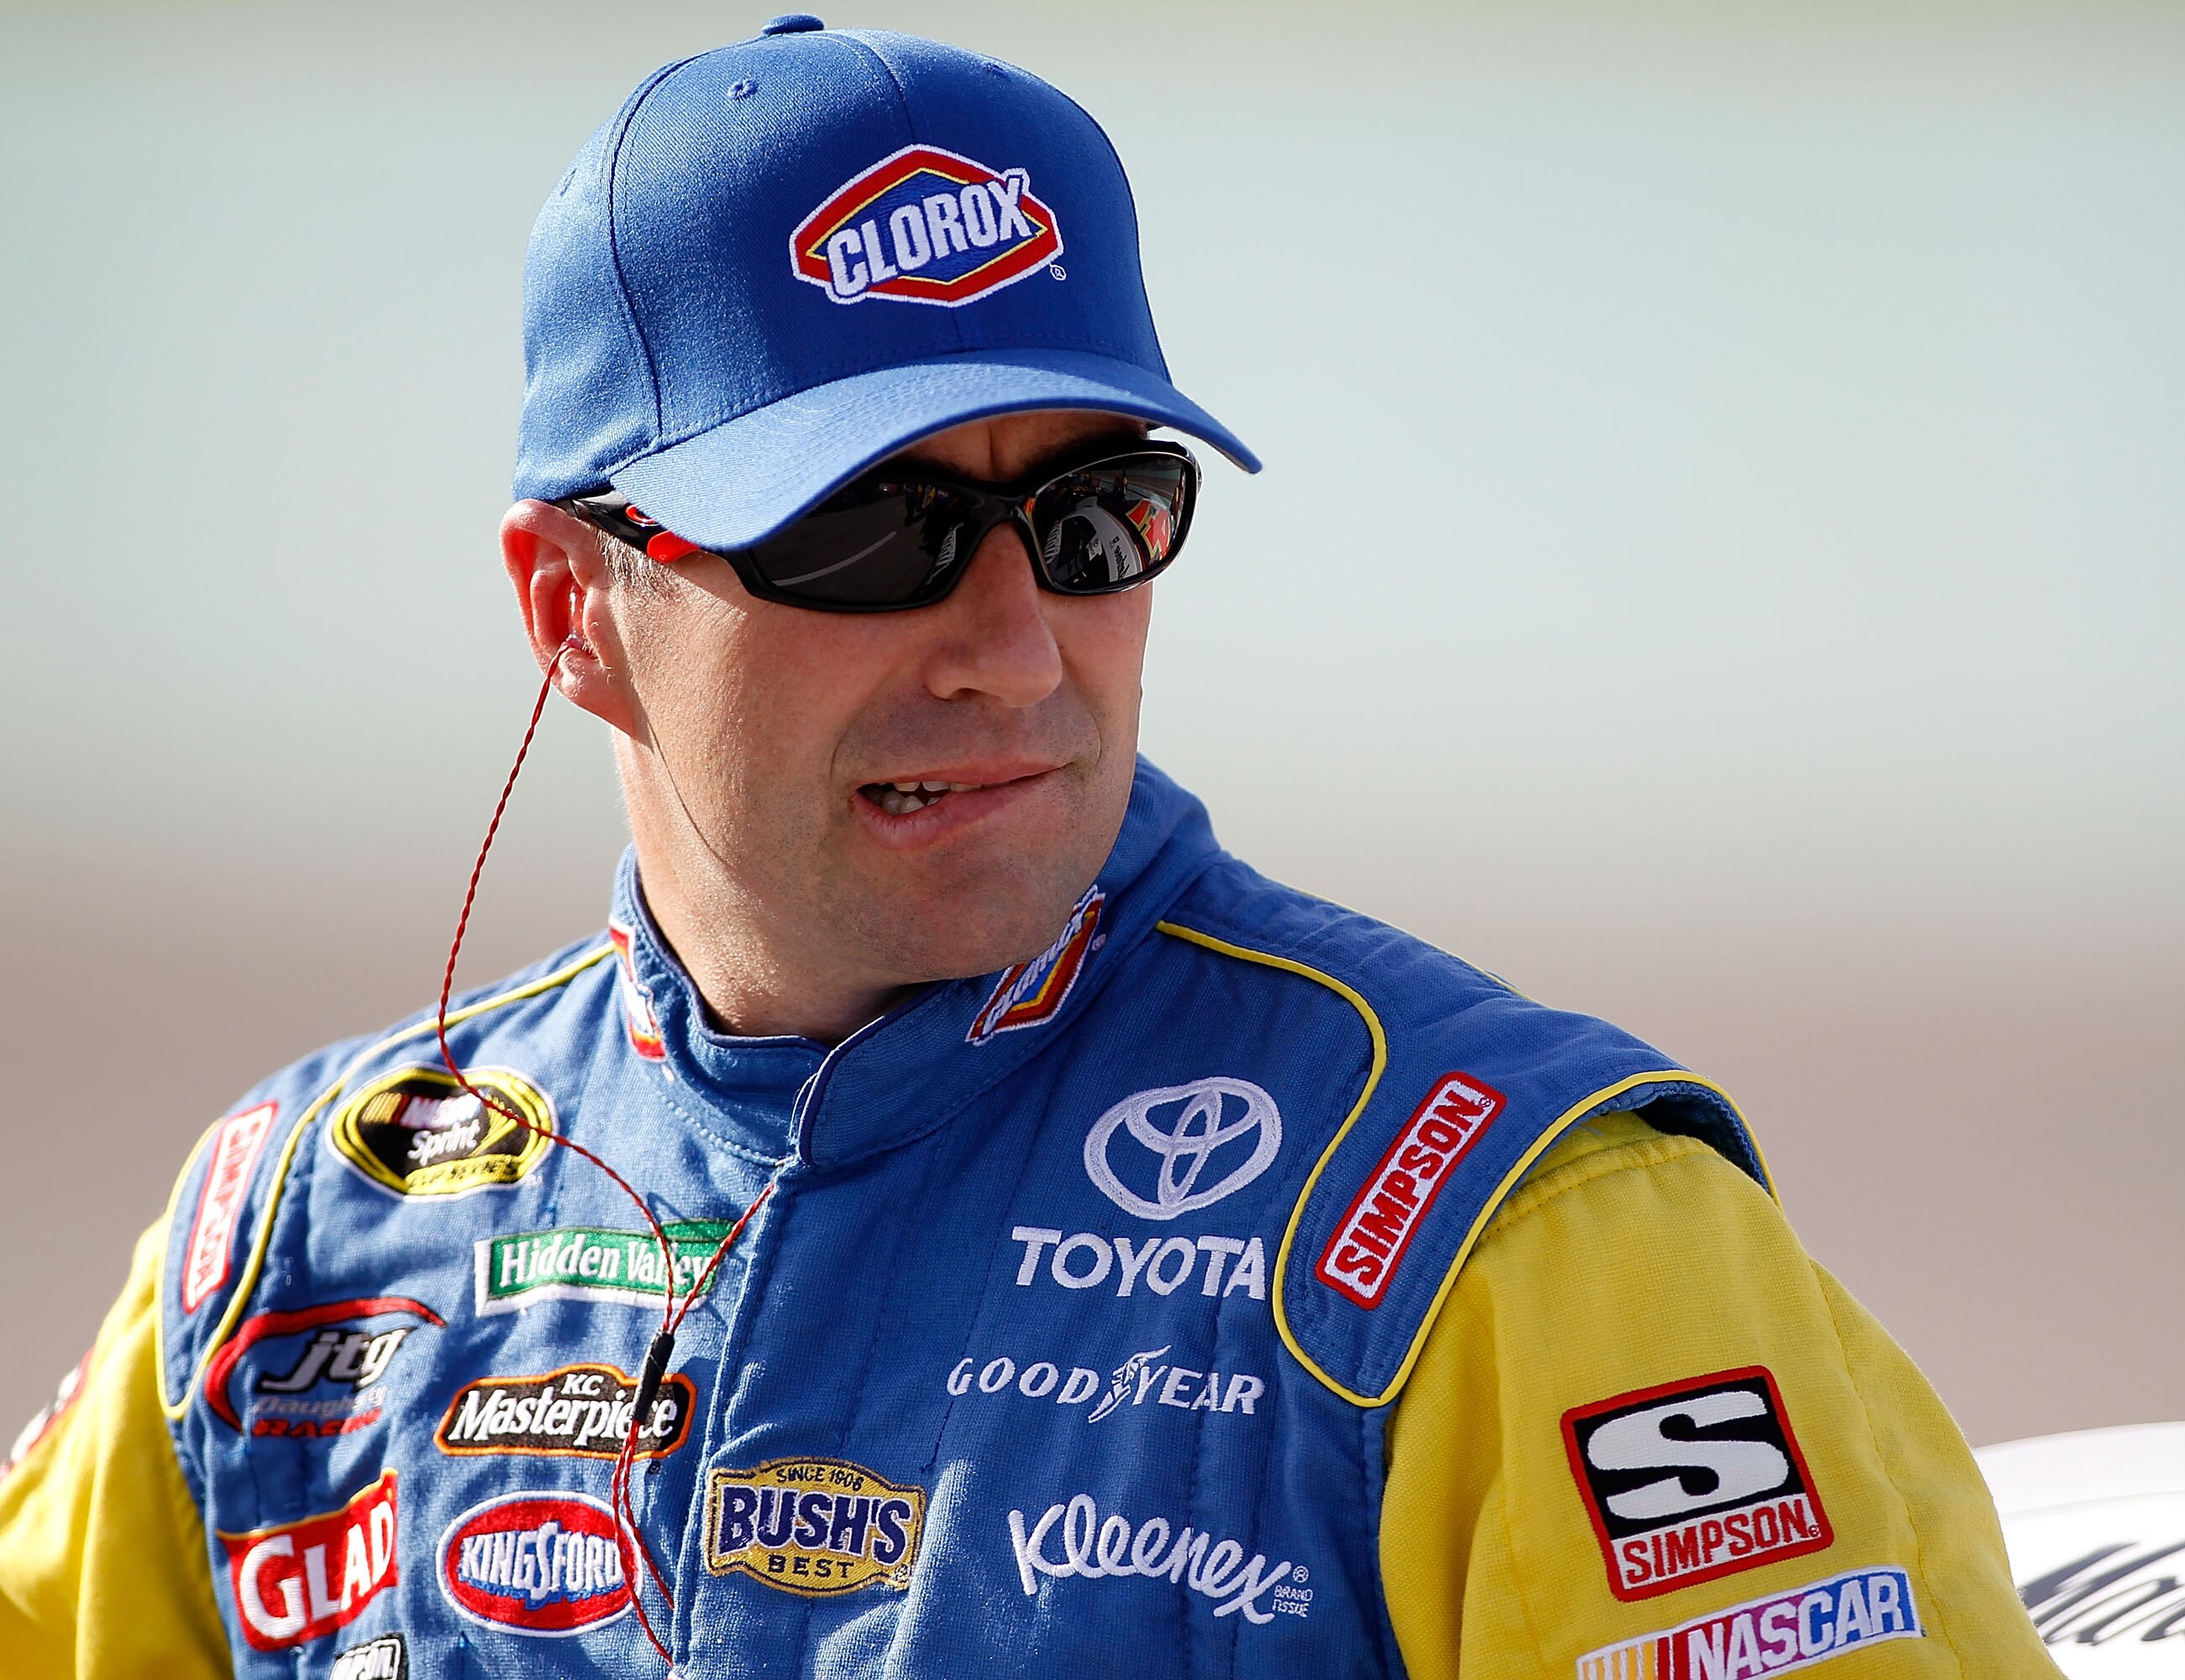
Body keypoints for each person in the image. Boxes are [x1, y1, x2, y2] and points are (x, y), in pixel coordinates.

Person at [0, 18, 2062, 1680]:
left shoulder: (1520, 1231)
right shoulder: (284, 1250)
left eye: (1093, 514)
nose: (1011, 647)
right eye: (873, 527)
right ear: (572, 609)